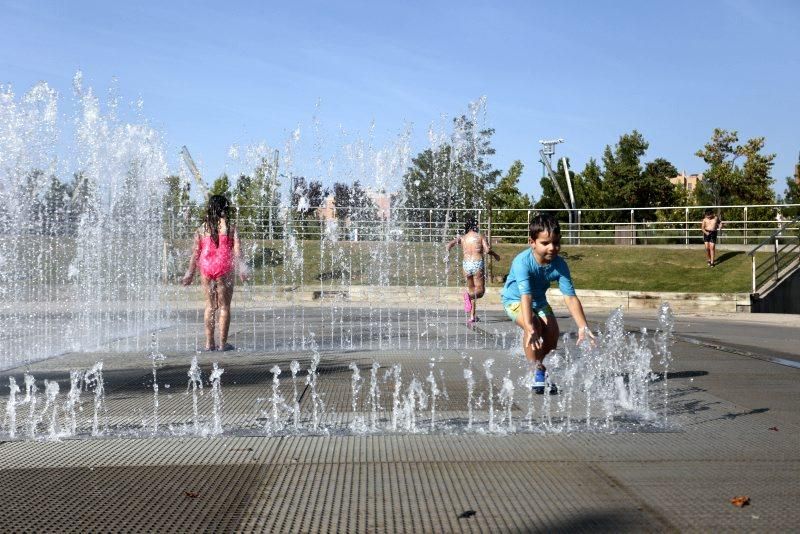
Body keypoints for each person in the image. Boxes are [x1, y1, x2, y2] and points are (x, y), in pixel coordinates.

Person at [502, 214, 595, 394]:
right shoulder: (523, 262)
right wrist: (529, 326)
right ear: (532, 242)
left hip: (539, 301)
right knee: (534, 327)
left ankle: (541, 366)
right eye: (545, 243)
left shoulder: (559, 265)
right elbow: (526, 296)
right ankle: (535, 371)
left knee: (552, 333)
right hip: (515, 300)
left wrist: (582, 325)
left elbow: (570, 297)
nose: (552, 248)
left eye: (556, 243)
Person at [182, 195, 247, 351]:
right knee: (224, 307)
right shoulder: (231, 228)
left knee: (210, 306)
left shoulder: (201, 229)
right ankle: (222, 344)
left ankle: (209, 343)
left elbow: (195, 253)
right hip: (223, 266)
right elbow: (237, 252)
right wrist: (242, 269)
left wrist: (189, 273)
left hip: (206, 267)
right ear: (225, 208)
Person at [446, 218, 500, 324]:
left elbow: (449, 244)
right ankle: (467, 297)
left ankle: (472, 316)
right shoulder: (480, 236)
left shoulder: (462, 238)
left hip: (466, 265)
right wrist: (495, 255)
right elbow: (487, 250)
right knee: (480, 292)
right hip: (476, 263)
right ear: (476, 226)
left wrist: (447, 255)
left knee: (472, 291)